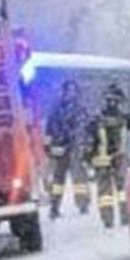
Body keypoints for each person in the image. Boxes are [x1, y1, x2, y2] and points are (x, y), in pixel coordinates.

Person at [86, 84, 130, 228]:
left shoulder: (98, 121)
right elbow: (90, 142)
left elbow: (89, 143)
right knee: (121, 191)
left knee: (111, 193)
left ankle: (112, 218)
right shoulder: (124, 120)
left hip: (109, 162)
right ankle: (120, 217)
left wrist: (89, 158)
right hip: (115, 161)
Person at [44, 80, 90, 219]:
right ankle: (54, 207)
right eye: (69, 91)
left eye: (73, 91)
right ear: (64, 92)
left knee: (79, 179)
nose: (71, 94)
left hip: (74, 149)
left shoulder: (79, 109)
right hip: (61, 149)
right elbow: (49, 129)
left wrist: (85, 144)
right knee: (58, 180)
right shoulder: (56, 110)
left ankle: (82, 204)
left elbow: (85, 128)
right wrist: (49, 146)